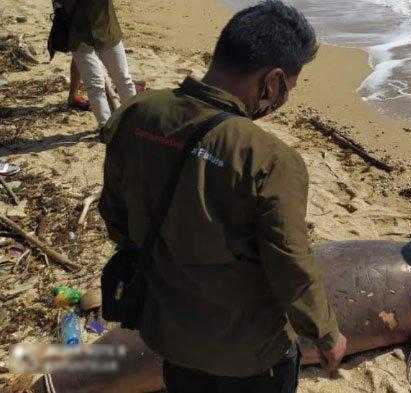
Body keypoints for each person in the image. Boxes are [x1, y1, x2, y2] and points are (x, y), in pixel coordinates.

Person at [98, 2, 347, 392]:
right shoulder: (271, 160)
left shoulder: (138, 114)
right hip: (249, 357)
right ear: (273, 82)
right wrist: (327, 333)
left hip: (170, 337)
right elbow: (291, 268)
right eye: (288, 89)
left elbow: (114, 214)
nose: (284, 99)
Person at [64, 0, 136, 126]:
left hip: (106, 30)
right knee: (95, 85)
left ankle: (136, 121)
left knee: (123, 79)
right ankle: (106, 128)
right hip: (79, 36)